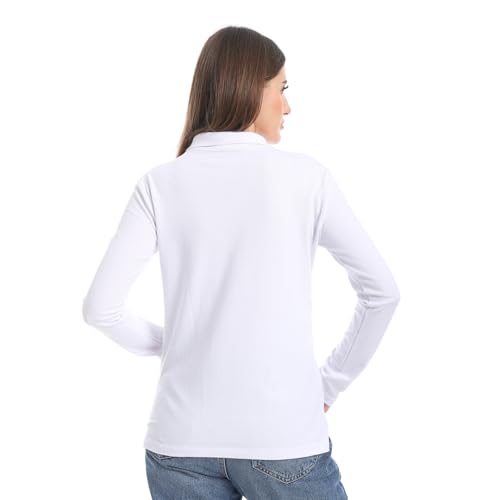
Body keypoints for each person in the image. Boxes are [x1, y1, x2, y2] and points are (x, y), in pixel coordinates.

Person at [82, 25, 400, 500]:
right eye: (282, 89)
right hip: (283, 438)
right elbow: (382, 292)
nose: (287, 106)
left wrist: (177, 342)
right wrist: (329, 386)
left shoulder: (159, 184)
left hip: (178, 444)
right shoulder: (306, 179)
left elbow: (100, 309)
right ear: (252, 89)